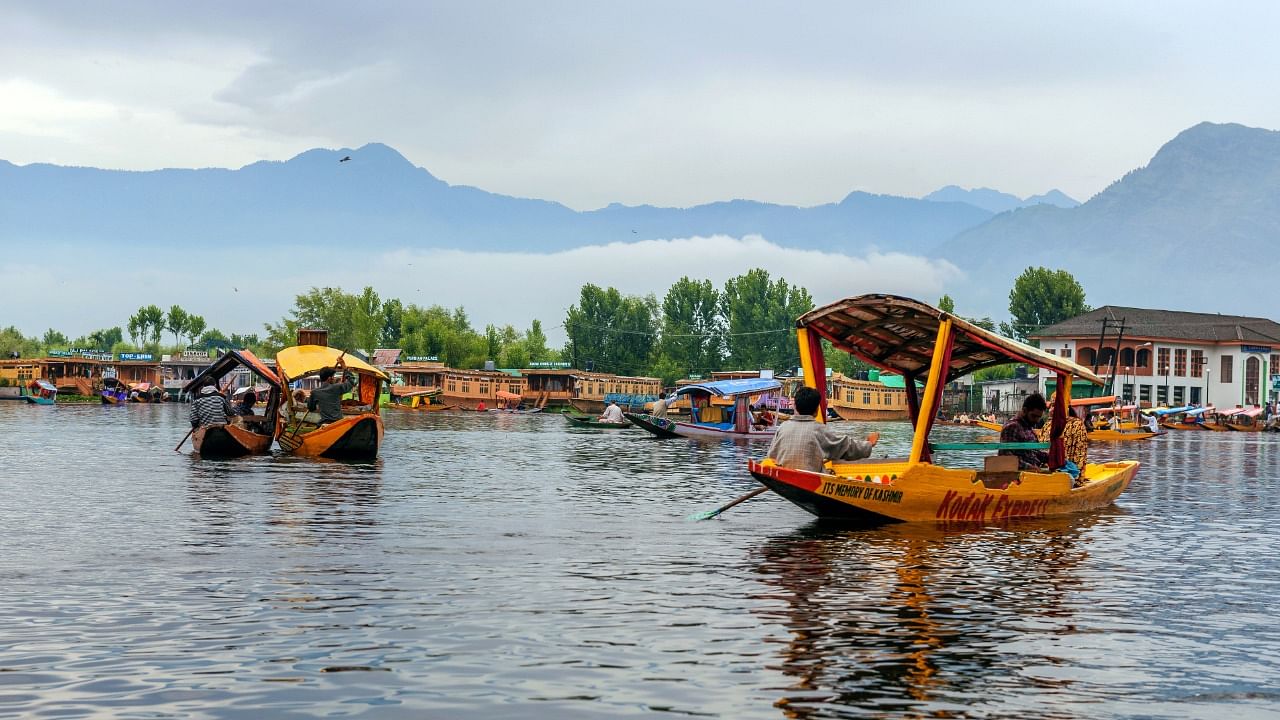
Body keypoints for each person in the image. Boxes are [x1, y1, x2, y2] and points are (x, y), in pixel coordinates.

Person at [766, 386, 878, 473]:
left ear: (795, 406)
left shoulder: (782, 427)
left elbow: (772, 456)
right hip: (810, 480)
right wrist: (868, 444)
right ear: (816, 410)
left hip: (787, 477)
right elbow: (846, 446)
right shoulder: (818, 430)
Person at [1037, 405, 1088, 484]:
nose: (1052, 409)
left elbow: (1080, 453)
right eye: (1051, 406)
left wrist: (1077, 477)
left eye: (1055, 405)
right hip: (1046, 469)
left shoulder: (1077, 424)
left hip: (1068, 471)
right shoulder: (1047, 425)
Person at [999, 393, 1049, 470]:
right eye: (1034, 416)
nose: (1037, 420)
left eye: (1039, 417)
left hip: (1035, 471)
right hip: (1020, 477)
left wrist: (1051, 457)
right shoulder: (1012, 427)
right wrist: (1030, 468)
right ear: (1025, 410)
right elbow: (1006, 457)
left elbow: (1034, 452)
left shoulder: (1028, 427)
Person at [307, 357, 355, 424]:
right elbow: (351, 382)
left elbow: (311, 408)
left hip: (324, 423)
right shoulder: (337, 388)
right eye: (333, 377)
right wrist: (344, 366)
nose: (334, 378)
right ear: (330, 378)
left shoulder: (315, 392)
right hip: (338, 423)